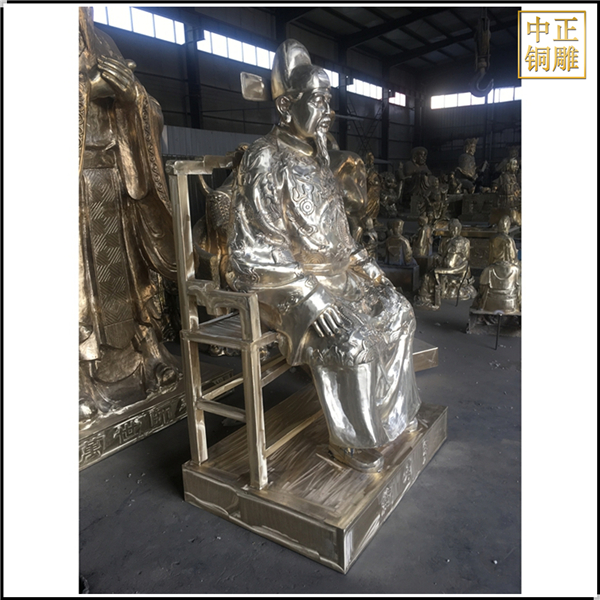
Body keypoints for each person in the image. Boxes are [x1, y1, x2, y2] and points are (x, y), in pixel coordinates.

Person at [225, 39, 421, 473]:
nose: (328, 110)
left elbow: (340, 238)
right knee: (352, 341)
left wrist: (373, 274)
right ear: (286, 106)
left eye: (329, 100)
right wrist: (312, 300)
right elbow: (253, 251)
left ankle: (393, 419)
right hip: (287, 287)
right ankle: (354, 440)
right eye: (318, 100)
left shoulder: (320, 155)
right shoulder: (265, 159)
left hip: (339, 279)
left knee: (398, 312)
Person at [78, 8, 180, 424]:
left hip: (116, 179)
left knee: (133, 271)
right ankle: (79, 378)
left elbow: (148, 106)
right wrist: (85, 89)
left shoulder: (103, 40)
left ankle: (147, 356)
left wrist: (132, 98)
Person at [414, 219, 477, 310]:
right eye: (451, 228)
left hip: (456, 270)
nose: (453, 231)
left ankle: (429, 296)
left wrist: (450, 267)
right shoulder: (445, 241)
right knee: (428, 275)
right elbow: (442, 255)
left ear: (459, 229)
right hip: (444, 266)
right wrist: (438, 259)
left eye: (455, 228)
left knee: (440, 279)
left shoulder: (465, 241)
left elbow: (466, 259)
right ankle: (425, 297)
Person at [472, 216, 521, 313]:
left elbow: (482, 290)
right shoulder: (515, 270)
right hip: (510, 304)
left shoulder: (489, 270)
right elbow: (513, 257)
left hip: (490, 304)